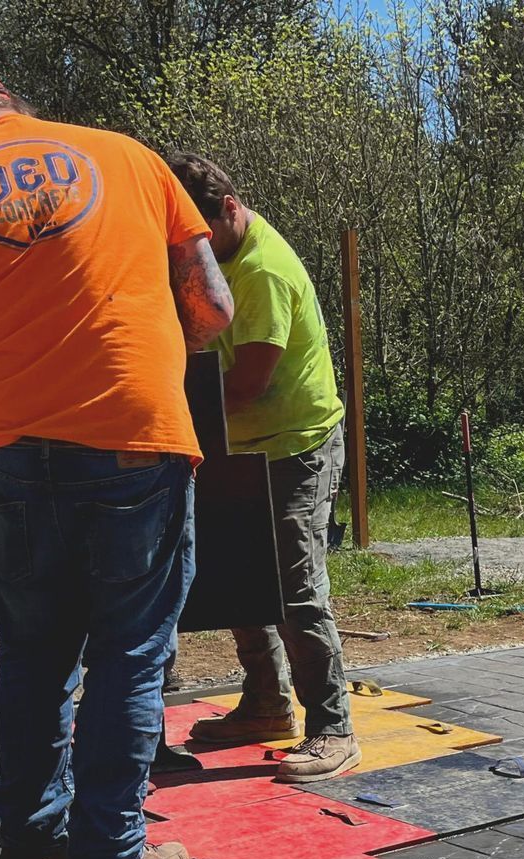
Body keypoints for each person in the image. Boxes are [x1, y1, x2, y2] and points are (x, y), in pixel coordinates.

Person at [0, 74, 234, 859]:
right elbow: (213, 307)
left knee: (33, 655)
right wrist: (141, 357)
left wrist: (0, 402)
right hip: (135, 434)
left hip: (14, 449)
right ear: (14, 105)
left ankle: (29, 852)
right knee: (130, 651)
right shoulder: (132, 159)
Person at [164, 153, 359, 782]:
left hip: (295, 443)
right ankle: (267, 704)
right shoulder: (210, 256)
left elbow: (249, 382)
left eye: (200, 233)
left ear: (230, 208)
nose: (190, 248)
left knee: (295, 588)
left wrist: (169, 411)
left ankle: (333, 729)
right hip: (238, 442)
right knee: (242, 572)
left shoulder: (263, 270)